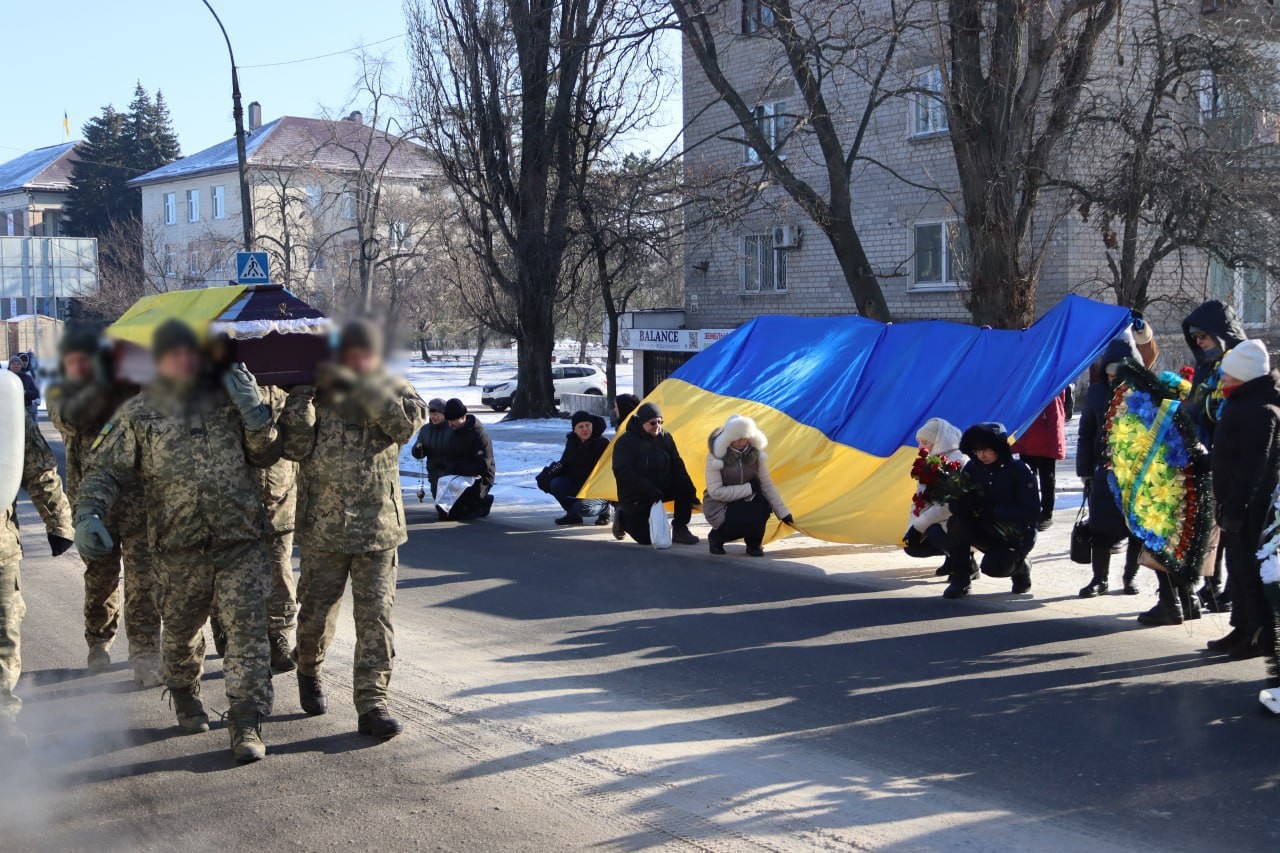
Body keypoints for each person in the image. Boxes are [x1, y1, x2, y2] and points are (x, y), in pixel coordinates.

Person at [75, 319, 280, 763]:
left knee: (247, 636)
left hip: (239, 541)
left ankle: (245, 722)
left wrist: (255, 413)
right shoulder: (138, 413)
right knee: (182, 636)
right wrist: (88, 512)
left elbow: (266, 455)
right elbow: (104, 470)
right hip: (177, 549)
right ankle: (185, 692)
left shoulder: (230, 399)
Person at [281, 320, 427, 739]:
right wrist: (303, 398)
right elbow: (294, 448)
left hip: (377, 530)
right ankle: (308, 670)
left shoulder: (395, 387)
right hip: (323, 530)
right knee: (314, 615)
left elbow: (404, 427)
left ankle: (372, 703)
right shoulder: (312, 392)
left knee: (376, 620)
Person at [45, 328, 160, 685]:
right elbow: (71, 420)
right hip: (94, 505)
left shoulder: (136, 386)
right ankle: (98, 643)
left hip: (139, 499)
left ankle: (145, 653)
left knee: (144, 582)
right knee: (101, 579)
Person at [0, 413, 74, 751]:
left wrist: (59, 521)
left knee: (3, 634)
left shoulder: (2, 398)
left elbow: (37, 463)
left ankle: (3, 720)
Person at [1206, 340, 1279, 660]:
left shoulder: (1261, 409)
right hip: (1235, 501)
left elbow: (1254, 466)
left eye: (1228, 377)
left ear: (1244, 377)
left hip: (1253, 506)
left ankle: (1258, 634)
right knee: (1238, 568)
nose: (1223, 382)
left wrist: (1237, 507)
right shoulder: (1243, 402)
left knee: (1250, 570)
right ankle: (1243, 626)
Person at [1183, 300, 1247, 612]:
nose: (1199, 343)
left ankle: (1232, 589)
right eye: (1195, 339)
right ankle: (1213, 584)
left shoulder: (1239, 366)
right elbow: (1194, 409)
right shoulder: (1207, 369)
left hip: (1235, 461)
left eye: (1203, 337)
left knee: (1233, 528)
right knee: (1212, 525)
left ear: (1220, 335)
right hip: (1208, 459)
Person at [940, 423, 1039, 599]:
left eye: (986, 450)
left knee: (995, 567)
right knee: (956, 523)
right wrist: (962, 504)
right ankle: (961, 578)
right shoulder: (972, 468)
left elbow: (1031, 512)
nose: (981, 455)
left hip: (1015, 534)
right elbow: (955, 502)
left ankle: (1021, 568)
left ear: (999, 447)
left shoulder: (1019, 470)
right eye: (976, 451)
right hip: (985, 529)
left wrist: (992, 510)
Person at [1076, 338, 1143, 600]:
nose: (1113, 379)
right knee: (1100, 527)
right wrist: (1086, 471)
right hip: (1104, 470)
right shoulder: (1096, 393)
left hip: (1137, 473)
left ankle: (1130, 577)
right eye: (1110, 373)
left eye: (1119, 374)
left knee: (1135, 528)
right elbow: (1086, 433)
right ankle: (1099, 578)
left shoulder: (1144, 394)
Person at [702, 415, 792, 556]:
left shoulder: (757, 454)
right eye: (737, 437)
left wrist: (784, 513)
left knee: (763, 506)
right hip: (719, 503)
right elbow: (715, 491)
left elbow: (766, 484)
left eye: (745, 437)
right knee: (738, 519)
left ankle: (754, 544)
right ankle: (716, 538)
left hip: (748, 499)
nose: (742, 442)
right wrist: (749, 488)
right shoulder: (715, 456)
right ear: (729, 437)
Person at [612, 401, 700, 546]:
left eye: (660, 421)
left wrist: (690, 490)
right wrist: (648, 489)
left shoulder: (665, 437)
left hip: (660, 488)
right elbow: (623, 472)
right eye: (652, 423)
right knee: (648, 539)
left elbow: (677, 464)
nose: (657, 426)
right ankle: (623, 516)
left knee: (683, 485)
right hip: (637, 495)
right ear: (642, 422)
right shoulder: (625, 442)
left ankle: (680, 528)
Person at [903, 418, 972, 577]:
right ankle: (952, 558)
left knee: (936, 531)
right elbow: (920, 498)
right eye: (919, 442)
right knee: (913, 546)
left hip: (958, 521)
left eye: (925, 442)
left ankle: (964, 564)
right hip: (935, 518)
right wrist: (912, 529)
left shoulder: (959, 460)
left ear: (939, 441)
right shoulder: (929, 460)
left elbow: (950, 502)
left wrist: (919, 526)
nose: (920, 447)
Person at [543, 411, 611, 526]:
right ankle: (573, 515)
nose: (585, 429)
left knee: (581, 508)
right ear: (574, 429)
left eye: (587, 425)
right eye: (581, 427)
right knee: (555, 484)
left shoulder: (602, 443)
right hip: (577, 482)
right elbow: (564, 462)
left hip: (596, 487)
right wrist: (548, 475)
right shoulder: (572, 442)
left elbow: (608, 471)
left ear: (592, 426)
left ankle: (605, 510)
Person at [433, 398, 496, 522]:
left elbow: (483, 465)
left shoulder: (479, 436)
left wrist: (455, 468)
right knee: (444, 513)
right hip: (458, 475)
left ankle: (482, 501)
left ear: (463, 417)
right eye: (449, 421)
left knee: (458, 515)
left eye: (454, 420)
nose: (450, 424)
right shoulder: (454, 433)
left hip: (480, 477)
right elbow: (449, 456)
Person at [1012, 391, 1066, 531]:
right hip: (1028, 443)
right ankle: (1033, 511)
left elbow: (1056, 420)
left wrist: (1055, 445)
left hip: (1044, 444)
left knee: (1046, 479)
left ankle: (1046, 513)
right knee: (1028, 480)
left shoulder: (1051, 393)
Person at [608, 394, 642, 540]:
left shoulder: (626, 429)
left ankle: (622, 513)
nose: (614, 410)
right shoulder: (625, 426)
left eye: (616, 406)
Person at [410, 398, 452, 498]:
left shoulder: (452, 427)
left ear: (444, 414)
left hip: (451, 474)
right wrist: (417, 450)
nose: (433, 417)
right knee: (440, 505)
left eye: (436, 414)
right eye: (431, 414)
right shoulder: (425, 430)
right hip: (434, 474)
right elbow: (418, 452)